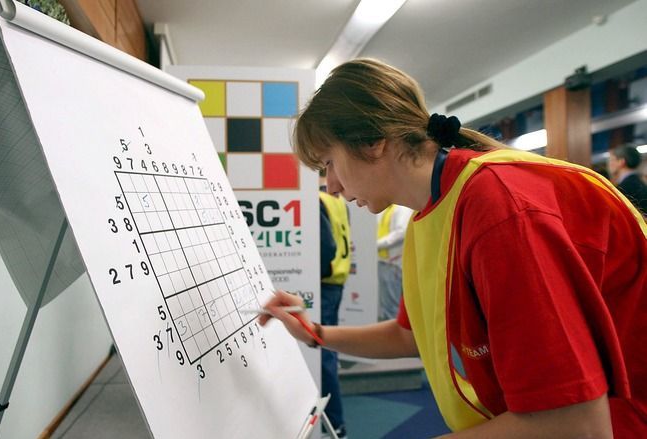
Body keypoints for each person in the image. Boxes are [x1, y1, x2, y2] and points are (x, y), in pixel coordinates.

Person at [260, 58, 647, 438]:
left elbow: (574, 424)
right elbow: (410, 336)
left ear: (374, 142)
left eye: (329, 162)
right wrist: (316, 333)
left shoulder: (499, 207)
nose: (331, 186)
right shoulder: (431, 212)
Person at [318, 177, 352, 438]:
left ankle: (334, 422)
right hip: (337, 280)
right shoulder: (338, 201)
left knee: (324, 354)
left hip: (323, 282)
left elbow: (326, 249)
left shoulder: (317, 200)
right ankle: (335, 421)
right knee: (327, 352)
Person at [376, 204, 413, 320]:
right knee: (388, 305)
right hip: (384, 261)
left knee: (391, 308)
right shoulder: (387, 209)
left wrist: (378, 244)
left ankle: (393, 335)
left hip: (393, 263)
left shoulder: (402, 208)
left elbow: (401, 232)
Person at [608, 143, 647, 215]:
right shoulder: (640, 183)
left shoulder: (624, 188)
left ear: (621, 162)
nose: (609, 164)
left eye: (612, 160)